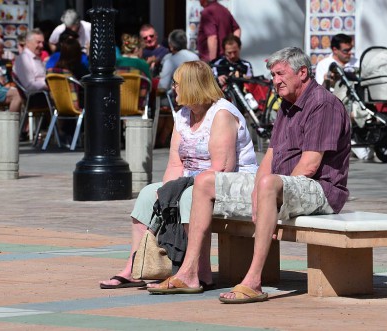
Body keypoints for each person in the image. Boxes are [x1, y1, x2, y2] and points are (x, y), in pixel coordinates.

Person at [146, 47, 351, 304]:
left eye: (280, 74)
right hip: (277, 185)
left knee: (268, 183)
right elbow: (270, 156)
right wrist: (257, 190)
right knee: (205, 181)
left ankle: (253, 280)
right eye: (273, 74)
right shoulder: (286, 105)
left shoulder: (322, 104)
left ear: (302, 73)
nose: (275, 80)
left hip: (321, 190)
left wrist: (271, 193)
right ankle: (189, 272)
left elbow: (309, 165)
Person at [99, 60, 258, 289]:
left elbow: (223, 168)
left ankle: (196, 271)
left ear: (192, 86)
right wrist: (166, 193)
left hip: (230, 183)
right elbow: (175, 163)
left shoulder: (221, 114)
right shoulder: (183, 115)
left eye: (177, 84)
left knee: (189, 196)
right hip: (191, 182)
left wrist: (177, 192)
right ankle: (136, 267)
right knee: (147, 194)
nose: (174, 88)